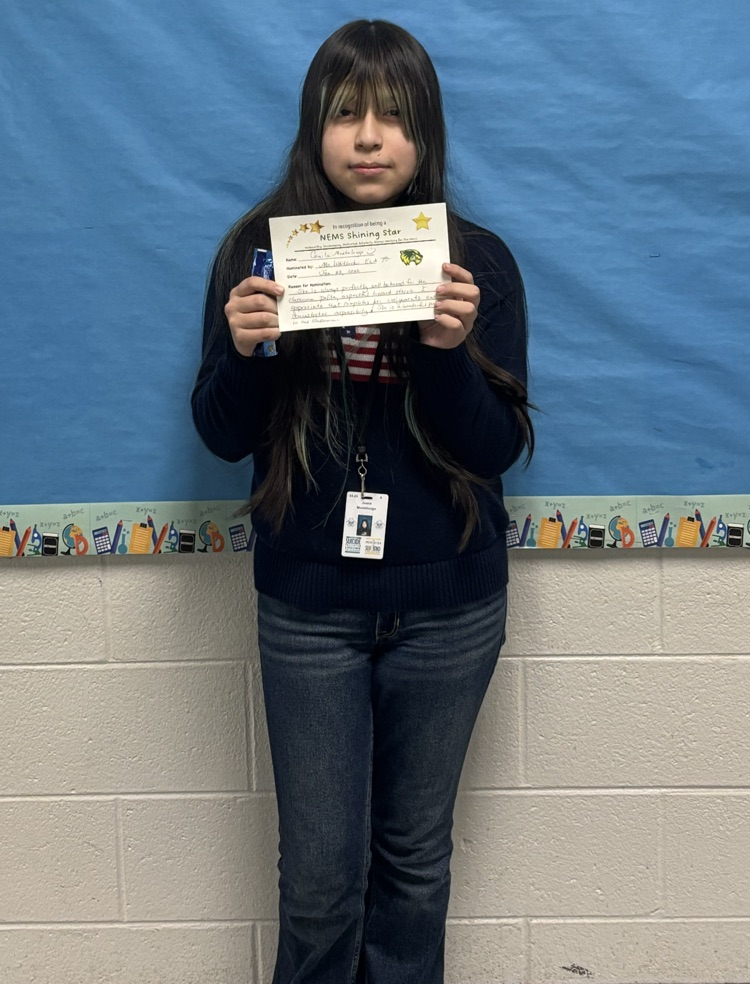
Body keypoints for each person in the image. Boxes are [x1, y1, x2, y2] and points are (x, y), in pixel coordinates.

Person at [192, 19, 533, 984]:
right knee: (319, 880)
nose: (370, 137)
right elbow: (221, 435)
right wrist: (251, 352)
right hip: (308, 609)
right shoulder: (258, 255)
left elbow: (494, 447)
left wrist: (444, 354)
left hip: (450, 607)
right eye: (346, 115)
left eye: (394, 116)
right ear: (315, 129)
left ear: (426, 135)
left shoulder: (476, 266)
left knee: (416, 866)